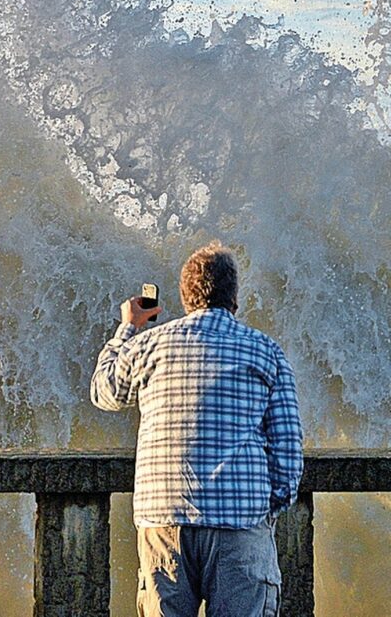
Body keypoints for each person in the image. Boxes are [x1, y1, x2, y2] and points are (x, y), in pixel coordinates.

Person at [90, 242, 303, 617]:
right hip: (239, 523)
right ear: (233, 297)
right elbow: (287, 451)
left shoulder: (149, 345)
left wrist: (128, 327)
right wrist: (267, 506)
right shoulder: (265, 352)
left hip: (164, 521)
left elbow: (104, 392)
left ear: (185, 297)